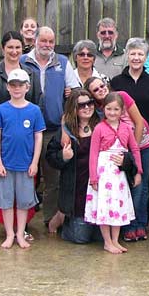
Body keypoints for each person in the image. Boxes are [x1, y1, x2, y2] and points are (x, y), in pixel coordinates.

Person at [0, 31, 42, 242]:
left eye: (18, 48)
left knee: (23, 188)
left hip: (23, 148)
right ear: (3, 48)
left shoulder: (30, 74)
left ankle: (20, 229)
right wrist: (5, 131)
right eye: (10, 47)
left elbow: (36, 104)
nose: (14, 51)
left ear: (23, 49)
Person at [20, 26, 81, 233]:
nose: (47, 45)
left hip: (52, 129)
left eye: (51, 41)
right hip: (26, 130)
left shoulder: (62, 63)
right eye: (43, 41)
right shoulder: (23, 61)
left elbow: (74, 93)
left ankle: (49, 219)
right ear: (35, 40)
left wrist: (65, 126)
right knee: (26, 176)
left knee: (53, 178)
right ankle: (23, 219)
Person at [111, 38, 149, 241]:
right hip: (120, 143)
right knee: (123, 182)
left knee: (141, 183)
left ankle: (140, 223)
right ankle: (126, 223)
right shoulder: (117, 82)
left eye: (140, 54)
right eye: (132, 53)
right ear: (127, 56)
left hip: (144, 142)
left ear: (145, 57)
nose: (136, 57)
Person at [0, 69, 46, 249]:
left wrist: (35, 162)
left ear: (27, 87)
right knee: (6, 202)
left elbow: (38, 138)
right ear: (7, 87)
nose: (17, 88)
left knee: (23, 202)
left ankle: (20, 233)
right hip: (6, 165)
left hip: (26, 166)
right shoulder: (1, 110)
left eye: (20, 85)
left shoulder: (34, 110)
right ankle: (9, 234)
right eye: (13, 85)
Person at [85, 92, 142, 254]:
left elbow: (135, 149)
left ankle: (115, 240)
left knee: (117, 205)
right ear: (104, 109)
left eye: (116, 109)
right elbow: (93, 153)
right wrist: (93, 177)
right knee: (104, 205)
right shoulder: (99, 128)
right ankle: (107, 241)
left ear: (122, 110)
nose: (112, 112)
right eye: (109, 109)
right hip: (103, 173)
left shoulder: (126, 128)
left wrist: (138, 171)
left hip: (118, 174)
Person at [45, 89, 101, 244]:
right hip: (77, 189)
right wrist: (63, 157)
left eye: (89, 103)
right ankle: (61, 217)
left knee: (100, 238)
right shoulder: (66, 130)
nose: (87, 107)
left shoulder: (103, 123)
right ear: (73, 108)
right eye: (81, 105)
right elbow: (50, 157)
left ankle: (63, 215)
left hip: (100, 187)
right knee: (81, 238)